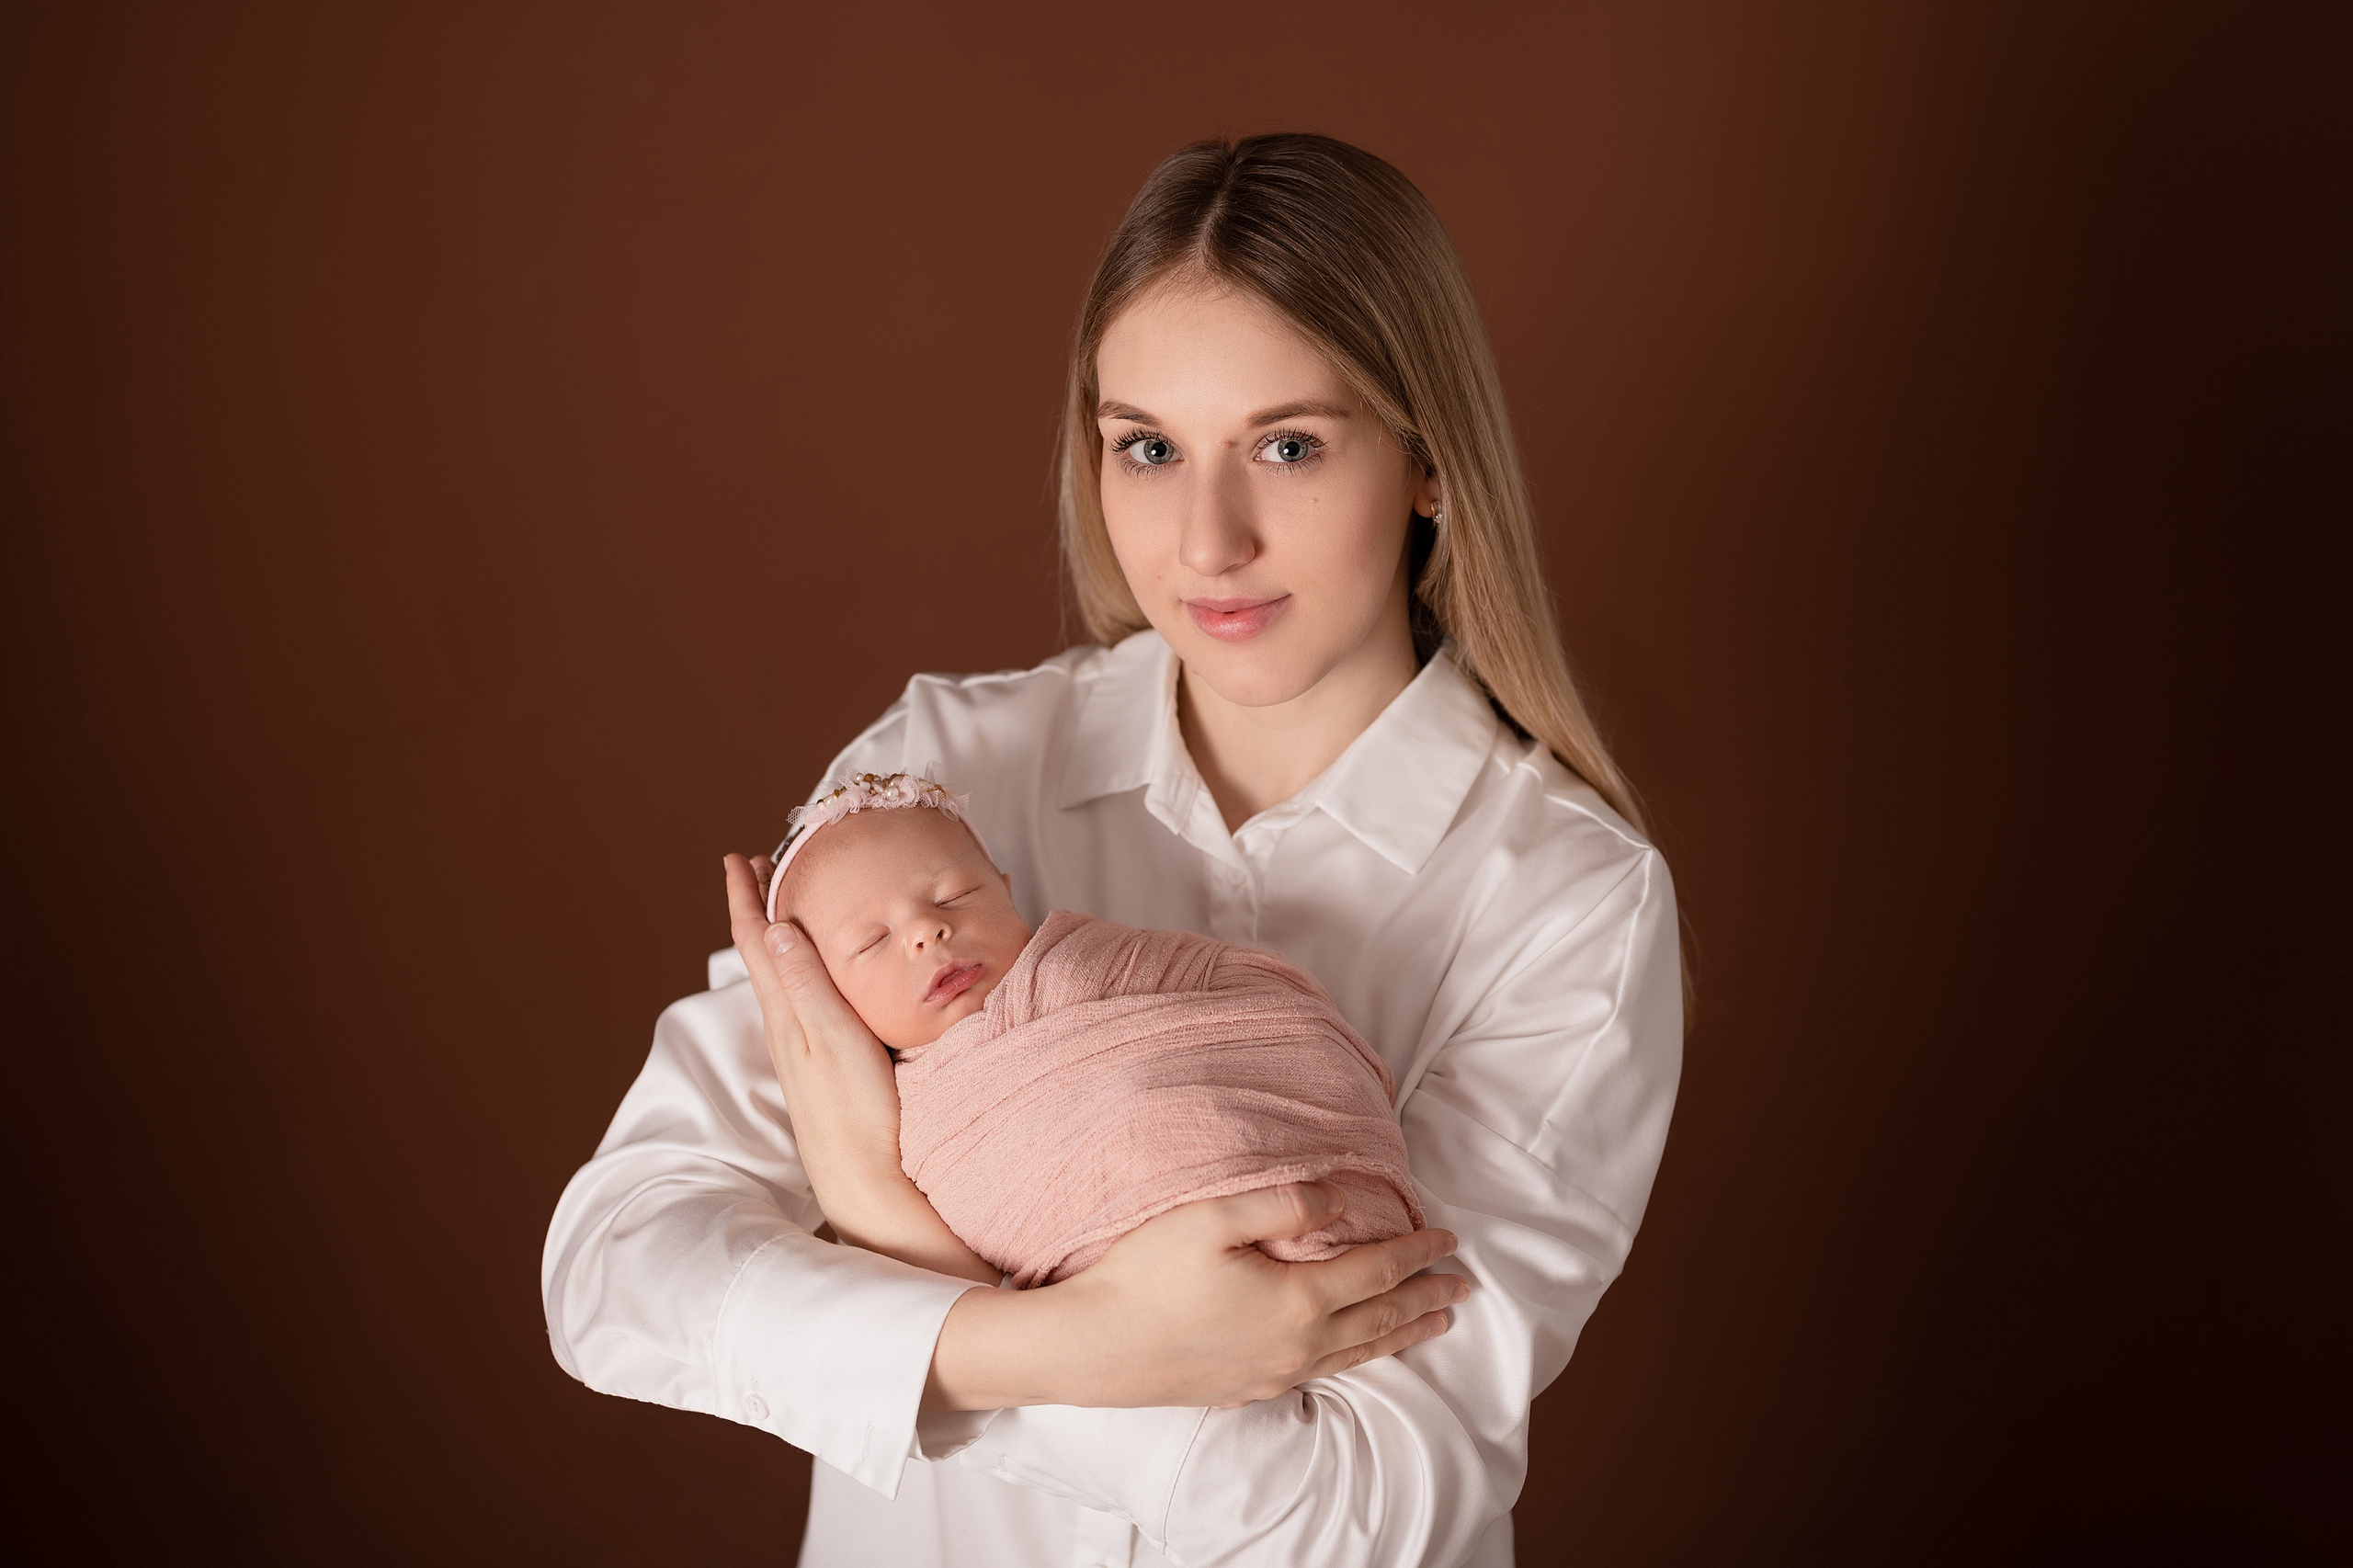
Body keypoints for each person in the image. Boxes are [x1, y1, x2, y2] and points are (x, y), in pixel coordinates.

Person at [543, 131, 1683, 1567]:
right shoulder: (940, 779)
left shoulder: (1571, 901)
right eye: (1148, 446)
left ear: (1429, 465)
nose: (1206, 541)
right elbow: (617, 1271)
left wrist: (897, 1240)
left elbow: (1359, 1514)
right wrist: (1071, 1342)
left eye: (1288, 444)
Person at [747, 767, 1423, 1291]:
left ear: (1007, 889)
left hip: (1322, 1195)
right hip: (1119, 1320)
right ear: (823, 995)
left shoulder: (1095, 964)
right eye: (872, 942)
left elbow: (1276, 1009)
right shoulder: (911, 1116)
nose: (927, 930)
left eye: (955, 896)